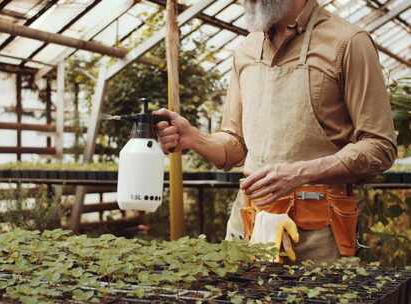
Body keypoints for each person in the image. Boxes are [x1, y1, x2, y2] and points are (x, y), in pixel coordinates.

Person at [154, 0, 396, 262]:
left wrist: (300, 173)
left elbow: (379, 146)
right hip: (249, 224)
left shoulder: (348, 42)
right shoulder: (246, 49)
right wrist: (195, 138)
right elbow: (235, 145)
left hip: (318, 232)